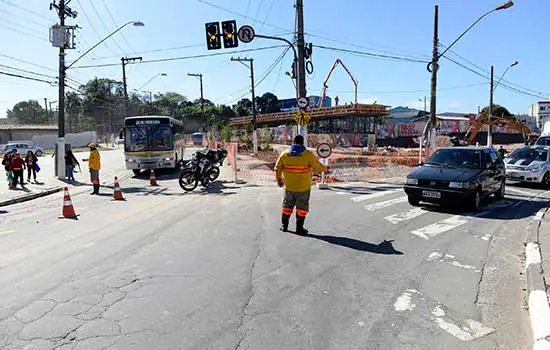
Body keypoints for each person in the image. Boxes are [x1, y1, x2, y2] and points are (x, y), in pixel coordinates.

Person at [275, 135, 327, 235]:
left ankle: (284, 226)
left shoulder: (285, 154)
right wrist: (325, 169)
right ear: (303, 143)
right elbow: (317, 166)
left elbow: (277, 168)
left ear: (293, 142)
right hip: (303, 187)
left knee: (287, 206)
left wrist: (279, 180)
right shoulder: (307, 154)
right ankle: (299, 229)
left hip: (289, 186)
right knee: (301, 208)